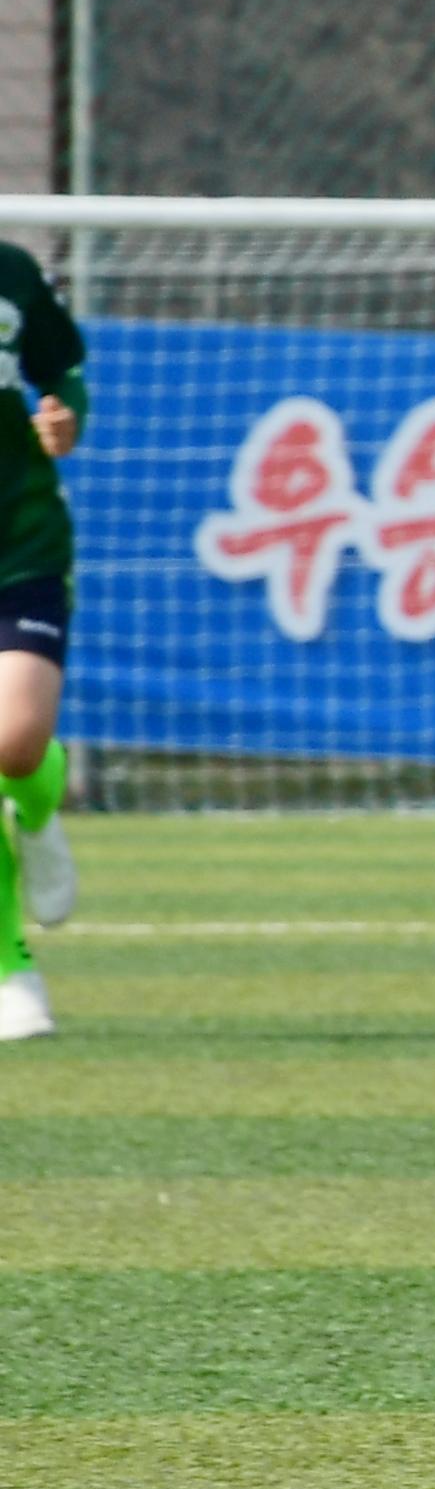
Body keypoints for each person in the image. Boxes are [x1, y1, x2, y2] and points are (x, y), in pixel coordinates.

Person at [0, 239, 83, 1042]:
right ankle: (10, 970)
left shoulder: (10, 273)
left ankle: (38, 794)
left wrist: (63, 420)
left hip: (18, 544)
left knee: (17, 742)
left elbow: (63, 374)